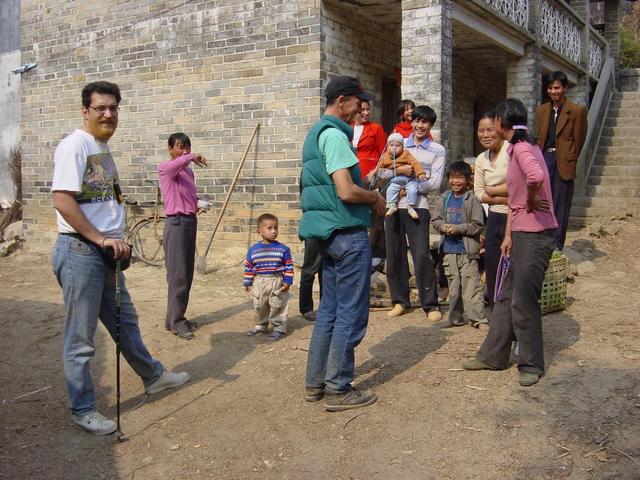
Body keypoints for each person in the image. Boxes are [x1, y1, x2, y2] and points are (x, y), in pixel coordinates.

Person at [51, 81, 189, 435]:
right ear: (85, 111)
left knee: (124, 322)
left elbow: (99, 202)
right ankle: (83, 409)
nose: (108, 114)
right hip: (81, 251)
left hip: (106, 252)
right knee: (81, 337)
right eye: (101, 108)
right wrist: (99, 237)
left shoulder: (101, 148)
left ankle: (153, 376)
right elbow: (62, 200)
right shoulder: (75, 146)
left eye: (113, 108)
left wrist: (114, 238)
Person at [300, 75, 386, 412]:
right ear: (342, 101)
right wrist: (374, 198)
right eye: (357, 102)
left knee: (330, 312)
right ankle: (338, 388)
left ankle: (316, 383)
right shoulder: (335, 135)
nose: (361, 109)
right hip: (347, 232)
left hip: (327, 233)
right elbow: (346, 191)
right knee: (350, 311)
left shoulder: (315, 133)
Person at [463, 98, 558, 387]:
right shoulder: (521, 147)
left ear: (503, 125)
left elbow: (536, 177)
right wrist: (508, 235)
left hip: (536, 235)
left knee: (523, 300)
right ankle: (493, 355)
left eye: (494, 124)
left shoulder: (522, 148)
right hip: (520, 233)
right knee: (505, 296)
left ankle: (531, 364)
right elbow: (516, 196)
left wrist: (531, 201)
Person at [383, 105, 446, 321]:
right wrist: (399, 171)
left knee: (421, 255)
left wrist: (408, 187)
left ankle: (430, 303)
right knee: (394, 253)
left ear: (430, 125)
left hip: (418, 206)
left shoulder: (437, 150)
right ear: (411, 122)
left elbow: (435, 182)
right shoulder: (396, 144)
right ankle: (400, 301)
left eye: (424, 122)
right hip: (392, 207)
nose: (419, 125)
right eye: (416, 121)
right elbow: (380, 173)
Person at [158, 133, 208, 340]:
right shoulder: (165, 168)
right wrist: (192, 156)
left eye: (188, 146)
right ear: (170, 149)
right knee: (177, 275)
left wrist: (197, 203)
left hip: (189, 221)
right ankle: (176, 322)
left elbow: (188, 195)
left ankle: (176, 317)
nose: (185, 150)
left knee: (186, 274)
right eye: (180, 147)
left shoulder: (187, 172)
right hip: (176, 224)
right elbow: (176, 164)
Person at [431, 161, 486, 331]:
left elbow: (478, 224)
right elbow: (435, 220)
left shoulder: (472, 200)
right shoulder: (444, 198)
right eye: (452, 178)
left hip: (467, 251)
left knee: (472, 287)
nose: (456, 181)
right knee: (454, 288)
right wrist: (443, 227)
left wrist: (458, 228)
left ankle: (478, 320)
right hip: (449, 250)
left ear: (468, 180)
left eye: (460, 178)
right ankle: (455, 318)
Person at [536, 71, 587, 251]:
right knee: (543, 201)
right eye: (550, 88)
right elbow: (541, 137)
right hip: (545, 158)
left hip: (563, 161)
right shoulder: (542, 110)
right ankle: (543, 243)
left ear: (564, 88)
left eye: (557, 87)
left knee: (561, 204)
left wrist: (568, 157)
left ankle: (557, 246)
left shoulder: (576, 111)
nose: (553, 91)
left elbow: (579, 140)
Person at [474, 111, 509, 309]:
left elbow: (518, 189)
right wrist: (503, 197)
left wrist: (493, 192)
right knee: (493, 265)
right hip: (494, 217)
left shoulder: (511, 151)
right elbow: (478, 191)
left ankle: (510, 311)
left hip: (515, 216)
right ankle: (497, 312)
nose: (485, 135)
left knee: (511, 267)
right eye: (481, 131)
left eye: (490, 130)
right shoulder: (481, 159)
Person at [243, 213, 294, 340]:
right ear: (259, 231)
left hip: (277, 280)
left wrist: (287, 281)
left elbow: (288, 266)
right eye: (269, 228)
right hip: (260, 281)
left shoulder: (283, 249)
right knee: (260, 304)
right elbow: (249, 266)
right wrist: (248, 282)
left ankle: (279, 328)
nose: (274, 231)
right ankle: (261, 325)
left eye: (276, 228)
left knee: (278, 305)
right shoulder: (254, 249)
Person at [378, 132, 427, 219]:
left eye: (397, 146)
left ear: (402, 147)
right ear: (387, 147)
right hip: (396, 179)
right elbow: (380, 170)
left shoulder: (406, 154)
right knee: (390, 189)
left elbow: (414, 163)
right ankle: (392, 205)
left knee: (412, 190)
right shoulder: (385, 156)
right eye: (391, 145)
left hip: (409, 179)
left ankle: (411, 207)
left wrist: (420, 173)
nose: (394, 148)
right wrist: (379, 169)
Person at [352, 100, 387, 178]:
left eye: (368, 109)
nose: (366, 113)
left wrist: (376, 171)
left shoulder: (376, 128)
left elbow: (384, 153)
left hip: (370, 173)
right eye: (363, 109)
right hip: (351, 172)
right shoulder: (348, 127)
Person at [298, 238, 322, 321]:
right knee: (309, 270)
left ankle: (326, 308)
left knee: (326, 271)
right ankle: (306, 308)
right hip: (315, 232)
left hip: (331, 229)